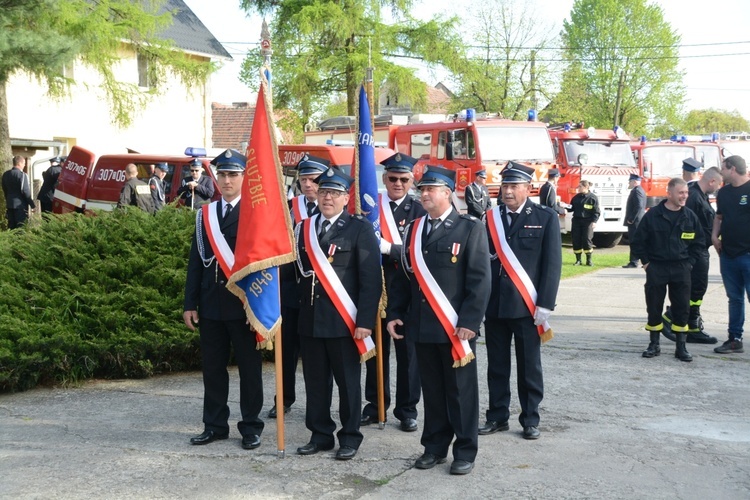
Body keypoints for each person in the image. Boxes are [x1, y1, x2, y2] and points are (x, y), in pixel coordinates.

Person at [386, 166, 491, 476]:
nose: (425, 193)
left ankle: (465, 451)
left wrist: (470, 321)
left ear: (448, 193)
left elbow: (480, 280)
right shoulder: (414, 229)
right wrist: (395, 314)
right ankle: (434, 447)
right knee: (431, 391)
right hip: (421, 324)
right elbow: (405, 279)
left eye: (432, 189)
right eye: (423, 188)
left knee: (461, 392)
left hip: (456, 327)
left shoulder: (469, 228)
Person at [294, 167, 381, 461]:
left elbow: (371, 280)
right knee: (316, 383)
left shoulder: (359, 228)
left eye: (333, 193)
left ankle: (350, 436)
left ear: (346, 198)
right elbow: (296, 276)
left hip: (344, 322)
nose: (327, 198)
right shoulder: (303, 228)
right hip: (310, 320)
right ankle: (320, 435)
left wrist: (365, 322)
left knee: (348, 384)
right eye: (323, 192)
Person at [183, 149, 265, 450]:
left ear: (244, 177)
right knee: (213, 369)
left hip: (243, 306)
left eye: (233, 174)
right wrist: (190, 303)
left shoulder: (256, 214)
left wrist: (256, 307)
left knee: (249, 370)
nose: (227, 180)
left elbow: (263, 264)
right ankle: (215, 425)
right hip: (211, 303)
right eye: (223, 175)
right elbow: (196, 261)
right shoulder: (205, 213)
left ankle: (251, 427)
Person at [480, 161, 562, 441]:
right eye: (505, 185)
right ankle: (497, 416)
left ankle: (530, 418)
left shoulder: (545, 217)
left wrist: (546, 303)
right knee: (497, 365)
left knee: (529, 366)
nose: (508, 191)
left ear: (529, 188)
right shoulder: (489, 218)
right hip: (495, 305)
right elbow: (481, 264)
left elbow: (552, 264)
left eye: (514, 185)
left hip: (528, 306)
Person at [361, 152, 425, 432]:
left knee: (408, 355)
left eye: (403, 179)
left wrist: (391, 249)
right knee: (376, 352)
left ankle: (407, 409)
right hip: (376, 288)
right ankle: (376, 406)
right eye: (392, 179)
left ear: (412, 181)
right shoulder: (370, 209)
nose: (397, 184)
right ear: (384, 179)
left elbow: (422, 251)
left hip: (407, 292)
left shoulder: (420, 210)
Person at [269, 154, 328, 419]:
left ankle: (321, 404)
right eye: (303, 179)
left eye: (313, 179)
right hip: (290, 290)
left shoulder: (336, 207)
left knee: (320, 355)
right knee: (286, 350)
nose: (307, 184)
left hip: (324, 293)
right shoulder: (288, 207)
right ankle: (283, 399)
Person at [630, 178, 704, 362]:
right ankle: (654, 344)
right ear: (669, 193)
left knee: (682, 308)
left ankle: (681, 347)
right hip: (657, 268)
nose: (684, 196)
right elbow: (638, 241)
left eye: (686, 193)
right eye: (680, 193)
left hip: (681, 268)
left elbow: (699, 244)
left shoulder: (690, 216)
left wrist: (690, 264)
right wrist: (646, 263)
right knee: (654, 306)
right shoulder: (653, 215)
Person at [663, 167, 723, 344]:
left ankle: (692, 326)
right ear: (712, 181)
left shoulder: (701, 196)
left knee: (698, 288)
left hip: (701, 249)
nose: (718, 188)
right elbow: (686, 225)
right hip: (695, 251)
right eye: (718, 184)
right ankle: (671, 317)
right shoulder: (694, 197)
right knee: (695, 288)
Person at [712, 155, 750, 354]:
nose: (721, 173)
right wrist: (714, 236)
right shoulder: (724, 192)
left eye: (723, 169)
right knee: (734, 298)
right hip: (728, 254)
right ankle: (734, 339)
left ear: (732, 169)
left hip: (748, 254)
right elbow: (719, 217)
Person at [567, 180, 600, 266]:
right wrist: (564, 206)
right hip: (577, 221)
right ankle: (578, 260)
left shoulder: (593, 198)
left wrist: (594, 221)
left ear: (585, 187)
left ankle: (589, 260)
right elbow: (571, 208)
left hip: (588, 222)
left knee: (587, 240)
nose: (578, 188)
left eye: (580, 186)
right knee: (576, 240)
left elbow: (596, 211)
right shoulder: (576, 197)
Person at [2, 155, 35, 229]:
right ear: (19, 163)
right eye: (24, 163)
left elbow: (5, 189)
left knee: (11, 227)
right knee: (21, 227)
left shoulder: (5, 174)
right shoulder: (22, 175)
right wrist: (32, 205)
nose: (24, 165)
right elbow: (25, 191)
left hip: (10, 204)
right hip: (20, 205)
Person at [622, 173, 646, 268]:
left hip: (635, 221)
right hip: (637, 221)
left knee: (634, 241)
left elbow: (639, 206)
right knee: (637, 241)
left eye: (630, 181)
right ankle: (638, 261)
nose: (629, 183)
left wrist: (632, 218)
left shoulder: (637, 191)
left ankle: (634, 261)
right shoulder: (638, 190)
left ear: (635, 182)